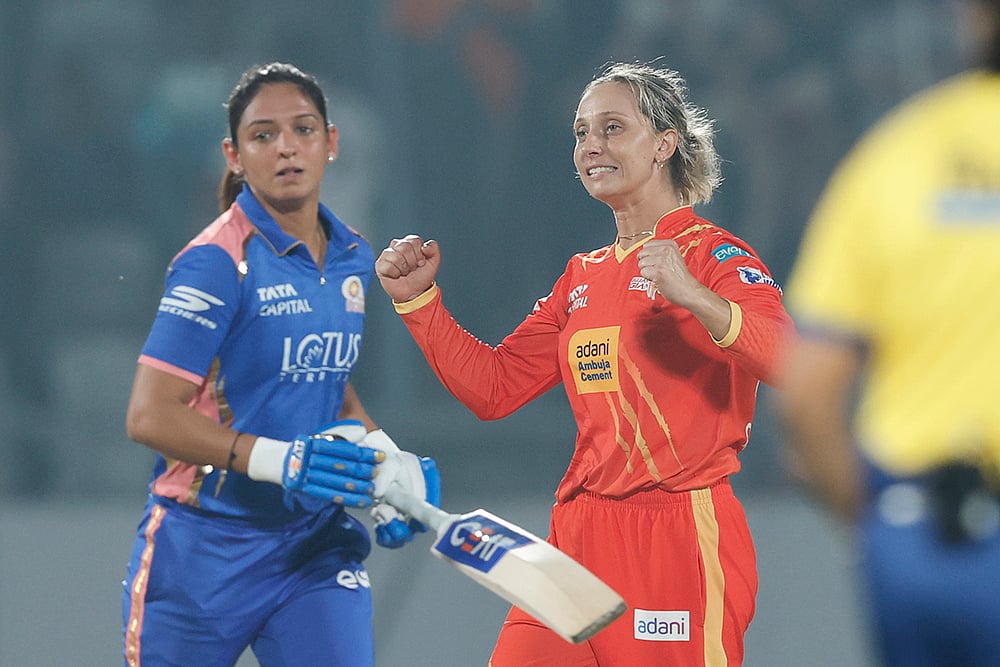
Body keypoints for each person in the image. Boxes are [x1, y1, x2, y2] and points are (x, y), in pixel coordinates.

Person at [375, 60, 793, 666]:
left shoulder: (714, 255)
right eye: (580, 132)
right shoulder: (583, 276)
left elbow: (787, 359)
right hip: (575, 539)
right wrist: (418, 303)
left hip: (677, 540)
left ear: (664, 145)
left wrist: (697, 297)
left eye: (612, 128)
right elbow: (494, 389)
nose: (590, 146)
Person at [120, 62, 439, 667]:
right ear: (233, 155)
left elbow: (324, 384)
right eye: (264, 135)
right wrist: (277, 458)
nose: (287, 146)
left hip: (310, 548)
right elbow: (147, 415)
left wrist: (383, 456)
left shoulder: (352, 255)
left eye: (304, 129)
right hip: (202, 554)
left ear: (332, 142)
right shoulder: (215, 262)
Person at [775, 2, 1000, 665]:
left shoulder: (897, 157)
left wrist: (865, 519)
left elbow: (807, 397)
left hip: (921, 538)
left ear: (975, 19)